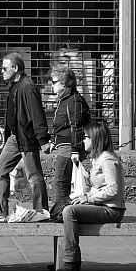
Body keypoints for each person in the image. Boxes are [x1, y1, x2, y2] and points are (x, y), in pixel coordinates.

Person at [58, 120, 125, 271]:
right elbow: (99, 185)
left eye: (86, 137)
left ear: (96, 139)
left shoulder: (108, 159)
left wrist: (87, 198)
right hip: (101, 205)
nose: (83, 140)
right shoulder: (96, 158)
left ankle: (71, 260)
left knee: (70, 212)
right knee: (62, 206)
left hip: (111, 209)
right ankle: (60, 256)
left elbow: (113, 189)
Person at [0, 54, 50, 212]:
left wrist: (43, 139)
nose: (2, 71)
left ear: (15, 68)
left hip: (27, 136)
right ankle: (0, 210)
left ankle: (40, 211)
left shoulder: (27, 85)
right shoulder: (14, 85)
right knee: (0, 170)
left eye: (5, 68)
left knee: (33, 175)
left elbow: (36, 113)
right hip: (15, 137)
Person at [47, 65, 90, 215]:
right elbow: (62, 125)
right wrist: (54, 140)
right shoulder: (64, 100)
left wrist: (76, 149)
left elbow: (76, 125)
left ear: (65, 84)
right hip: (63, 146)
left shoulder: (73, 100)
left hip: (69, 147)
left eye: (54, 81)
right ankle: (64, 211)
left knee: (60, 182)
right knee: (61, 182)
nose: (52, 85)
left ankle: (63, 213)